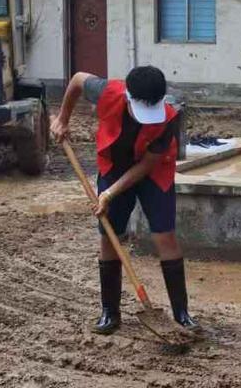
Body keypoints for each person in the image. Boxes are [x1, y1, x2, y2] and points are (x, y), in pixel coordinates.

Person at [50, 66, 200, 334]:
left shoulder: (167, 119)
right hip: (113, 165)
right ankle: (110, 311)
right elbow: (76, 80)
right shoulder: (107, 91)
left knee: (165, 235)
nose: (146, 120)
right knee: (110, 236)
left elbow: (147, 165)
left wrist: (109, 193)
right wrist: (63, 119)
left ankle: (181, 313)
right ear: (128, 96)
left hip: (154, 171)